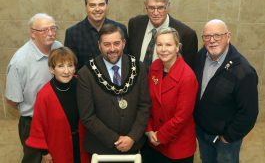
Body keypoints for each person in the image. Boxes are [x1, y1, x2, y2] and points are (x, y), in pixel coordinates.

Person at [77, 23, 151, 157]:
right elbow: (87, 116)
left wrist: (132, 137)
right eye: (107, 44)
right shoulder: (86, 73)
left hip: (133, 146)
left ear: (123, 43)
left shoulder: (139, 68)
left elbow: (144, 106)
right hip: (100, 148)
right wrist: (115, 139)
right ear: (99, 45)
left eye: (116, 43)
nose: (112, 49)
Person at [194, 19, 259, 163]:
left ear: (228, 36)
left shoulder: (243, 71)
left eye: (217, 35)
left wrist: (227, 138)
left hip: (225, 141)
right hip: (203, 133)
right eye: (207, 36)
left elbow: (249, 113)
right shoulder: (201, 56)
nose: (212, 40)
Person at [5, 13, 62, 163]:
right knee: (34, 159)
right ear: (32, 33)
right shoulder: (19, 62)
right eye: (44, 30)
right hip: (32, 123)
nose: (50, 33)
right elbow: (12, 100)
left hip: (57, 120)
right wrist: (33, 111)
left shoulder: (58, 47)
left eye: (53, 28)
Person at [142, 27, 198, 163]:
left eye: (168, 45)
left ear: (177, 47)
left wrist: (160, 136)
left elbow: (181, 117)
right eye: (159, 45)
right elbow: (147, 102)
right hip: (153, 140)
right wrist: (149, 130)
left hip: (177, 146)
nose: (163, 49)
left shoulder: (187, 77)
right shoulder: (155, 66)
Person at [26, 47, 89, 163]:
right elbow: (38, 126)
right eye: (60, 66)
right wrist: (44, 152)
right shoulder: (44, 95)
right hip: (58, 146)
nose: (66, 71)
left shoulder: (82, 84)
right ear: (51, 69)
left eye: (70, 65)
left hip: (84, 144)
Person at [128, 0, 198, 69]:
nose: (156, 13)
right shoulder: (135, 24)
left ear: (168, 6)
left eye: (160, 8)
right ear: (145, 5)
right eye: (151, 8)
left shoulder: (186, 34)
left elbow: (187, 70)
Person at [64, 0, 128, 70]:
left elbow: (125, 60)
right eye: (92, 5)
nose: (97, 9)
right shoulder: (72, 33)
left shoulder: (120, 29)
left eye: (101, 4)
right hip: (86, 81)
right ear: (85, 7)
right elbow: (71, 67)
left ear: (107, 6)